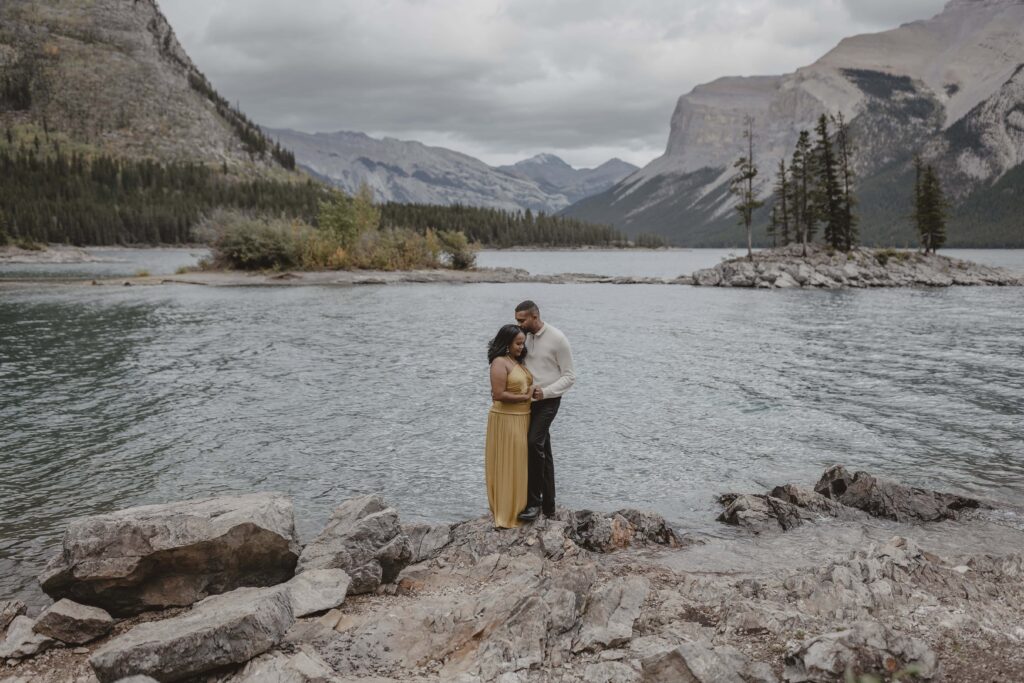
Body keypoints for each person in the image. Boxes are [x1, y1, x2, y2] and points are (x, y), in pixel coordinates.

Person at [514, 301, 575, 522]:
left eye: (522, 320)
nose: (518, 324)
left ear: (534, 316)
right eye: (517, 320)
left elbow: (570, 376)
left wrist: (546, 392)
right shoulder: (523, 336)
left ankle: (534, 503)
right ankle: (549, 506)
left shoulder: (558, 339)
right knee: (544, 452)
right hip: (527, 402)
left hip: (548, 401)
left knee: (533, 444)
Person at [484, 324, 537, 529]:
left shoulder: (517, 361)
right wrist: (524, 396)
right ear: (507, 344)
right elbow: (498, 394)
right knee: (509, 463)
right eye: (518, 343)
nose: (521, 347)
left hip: (523, 417)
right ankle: (506, 516)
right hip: (506, 419)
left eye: (523, 343)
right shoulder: (499, 363)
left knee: (521, 464)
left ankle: (520, 509)